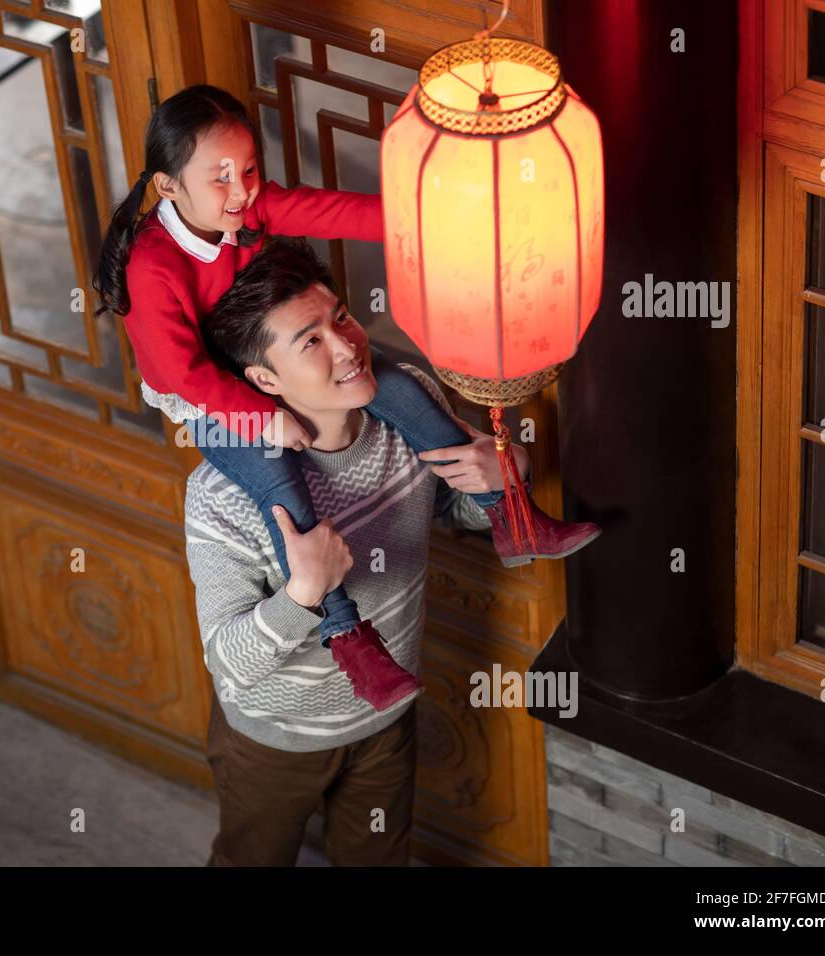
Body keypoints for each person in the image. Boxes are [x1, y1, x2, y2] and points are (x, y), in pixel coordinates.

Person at [93, 83, 599, 712]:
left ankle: (509, 516)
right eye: (219, 177)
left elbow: (331, 212)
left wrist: (431, 223)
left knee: (403, 393)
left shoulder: (243, 210)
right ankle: (344, 631)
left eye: (248, 169)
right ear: (169, 188)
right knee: (281, 488)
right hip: (209, 397)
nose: (242, 189)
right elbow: (184, 372)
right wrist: (263, 420)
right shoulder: (153, 264)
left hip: (261, 356)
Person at [188, 237, 533, 865]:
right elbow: (228, 662)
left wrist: (507, 474)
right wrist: (303, 595)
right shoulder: (222, 493)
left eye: (340, 317)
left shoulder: (406, 409)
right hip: (275, 738)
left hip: (386, 712)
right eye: (310, 341)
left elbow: (451, 513)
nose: (348, 345)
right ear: (264, 379)